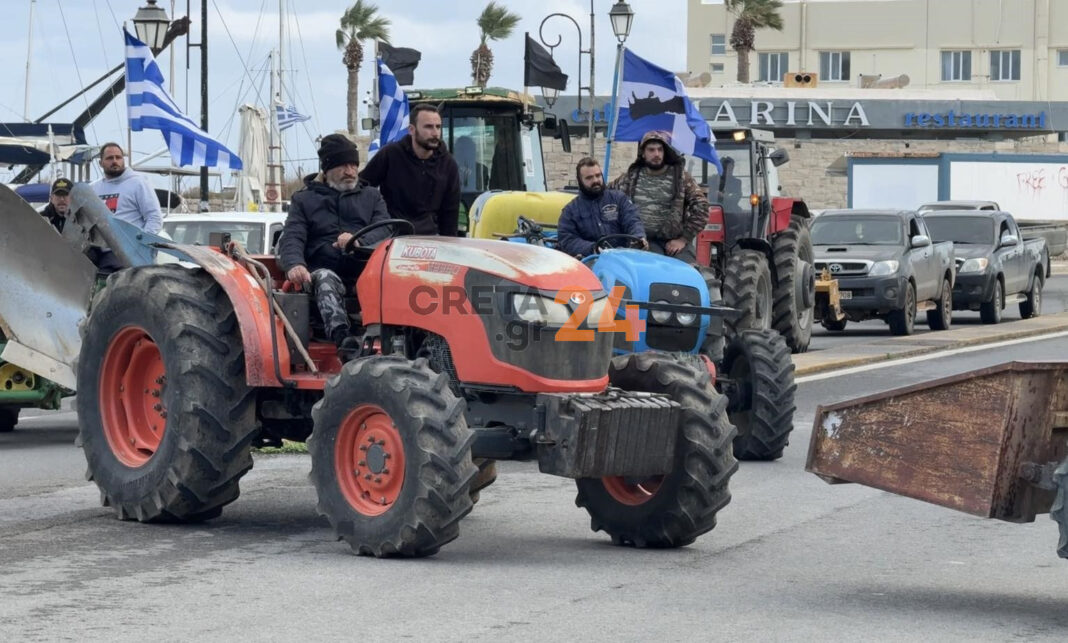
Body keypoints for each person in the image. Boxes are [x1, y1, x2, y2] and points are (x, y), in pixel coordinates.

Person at [277, 134, 393, 358]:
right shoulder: (304, 200)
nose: (350, 171)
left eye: (353, 165)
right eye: (343, 165)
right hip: (321, 274)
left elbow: (385, 228)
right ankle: (343, 340)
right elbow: (292, 237)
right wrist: (295, 264)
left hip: (364, 270)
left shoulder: (371, 197)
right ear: (327, 168)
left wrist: (358, 240)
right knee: (325, 277)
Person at [609, 130, 710, 264]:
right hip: (643, 242)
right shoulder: (631, 177)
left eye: (660, 150)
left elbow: (702, 206)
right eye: (651, 150)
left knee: (689, 274)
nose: (656, 154)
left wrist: (683, 239)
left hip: (675, 242)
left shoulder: (680, 177)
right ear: (643, 153)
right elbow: (605, 196)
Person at [359, 103, 461, 236]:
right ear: (412, 130)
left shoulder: (448, 164)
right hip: (391, 236)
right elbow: (362, 186)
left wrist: (449, 247)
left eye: (438, 127)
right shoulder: (390, 154)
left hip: (430, 240)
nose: (435, 133)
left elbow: (450, 212)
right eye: (428, 127)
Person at [556, 157, 647, 259]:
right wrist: (592, 248)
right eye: (589, 178)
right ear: (579, 181)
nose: (595, 180)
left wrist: (638, 237)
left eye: (598, 175)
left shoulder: (619, 199)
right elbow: (567, 239)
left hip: (624, 259)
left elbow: (632, 220)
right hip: (592, 262)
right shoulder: (570, 211)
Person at [91, 142, 163, 234]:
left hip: (130, 247)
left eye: (118, 157)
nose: (115, 161)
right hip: (101, 247)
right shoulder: (94, 188)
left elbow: (154, 218)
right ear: (101, 163)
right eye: (109, 158)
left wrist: (140, 245)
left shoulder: (138, 183)